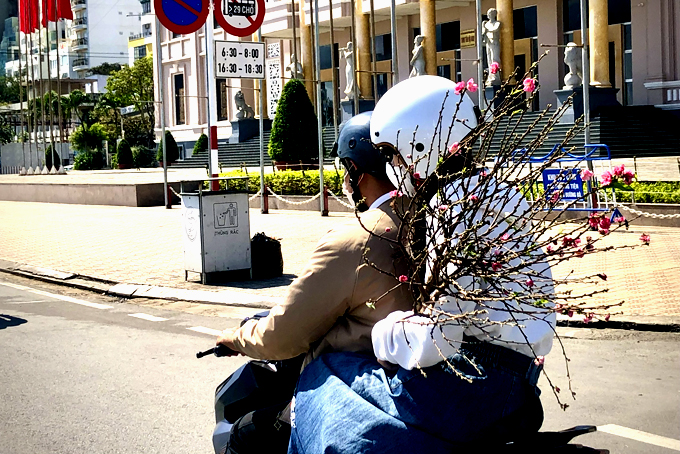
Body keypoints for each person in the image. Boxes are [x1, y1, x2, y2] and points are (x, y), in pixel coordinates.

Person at [289, 76, 555, 453]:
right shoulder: (502, 193)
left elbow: (437, 340)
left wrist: (385, 332)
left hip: (464, 391)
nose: (392, 166)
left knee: (323, 374)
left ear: (418, 145)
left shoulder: (453, 205)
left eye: (391, 153)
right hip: (519, 386)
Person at [216, 111, 414, 454]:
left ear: (356, 169)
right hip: (411, 389)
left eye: (345, 169)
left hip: (351, 389)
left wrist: (235, 338)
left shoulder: (355, 238)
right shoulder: (428, 220)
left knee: (247, 436)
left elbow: (284, 334)